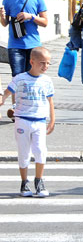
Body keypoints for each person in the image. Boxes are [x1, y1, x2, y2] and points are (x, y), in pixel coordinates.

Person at [1, 47, 54, 197]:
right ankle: (24, 183)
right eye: (42, 63)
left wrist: (52, 120)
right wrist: (2, 98)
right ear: (32, 62)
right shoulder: (20, 78)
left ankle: (39, 181)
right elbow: (7, 92)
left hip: (39, 121)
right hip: (22, 120)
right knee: (24, 152)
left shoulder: (47, 81)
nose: (45, 66)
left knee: (40, 150)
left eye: (48, 63)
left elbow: (50, 101)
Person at [0, 0, 49, 78]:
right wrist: (1, 16)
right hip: (15, 45)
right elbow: (4, 23)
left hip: (34, 45)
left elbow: (45, 22)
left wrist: (31, 17)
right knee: (17, 78)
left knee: (32, 78)